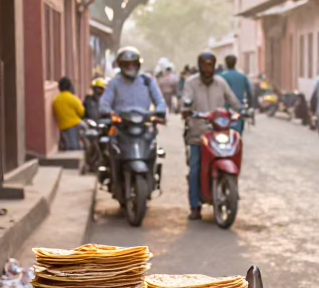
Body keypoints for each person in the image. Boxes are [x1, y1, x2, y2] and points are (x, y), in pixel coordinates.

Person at [181, 50, 241, 219]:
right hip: (198, 133)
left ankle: (229, 190)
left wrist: (241, 110)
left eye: (210, 65)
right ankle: (194, 206)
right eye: (205, 65)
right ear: (199, 66)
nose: (208, 69)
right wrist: (186, 108)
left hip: (218, 132)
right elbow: (186, 100)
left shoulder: (221, 83)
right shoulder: (191, 83)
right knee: (195, 169)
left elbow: (233, 101)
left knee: (231, 155)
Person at [99, 47, 167, 119]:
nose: (130, 67)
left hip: (144, 123)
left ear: (138, 65)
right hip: (121, 124)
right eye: (126, 64)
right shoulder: (114, 82)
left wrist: (160, 110)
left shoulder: (147, 81)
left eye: (133, 64)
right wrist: (107, 111)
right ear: (121, 65)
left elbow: (159, 101)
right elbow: (104, 102)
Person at [220, 55, 254, 131]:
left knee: (223, 130)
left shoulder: (221, 76)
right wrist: (250, 107)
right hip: (238, 109)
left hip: (224, 109)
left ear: (226, 63)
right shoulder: (242, 76)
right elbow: (249, 93)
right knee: (237, 132)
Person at [52, 77, 84, 151]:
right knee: (74, 145)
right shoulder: (72, 98)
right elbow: (81, 112)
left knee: (69, 142)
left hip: (62, 126)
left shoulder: (56, 100)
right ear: (70, 86)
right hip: (74, 124)